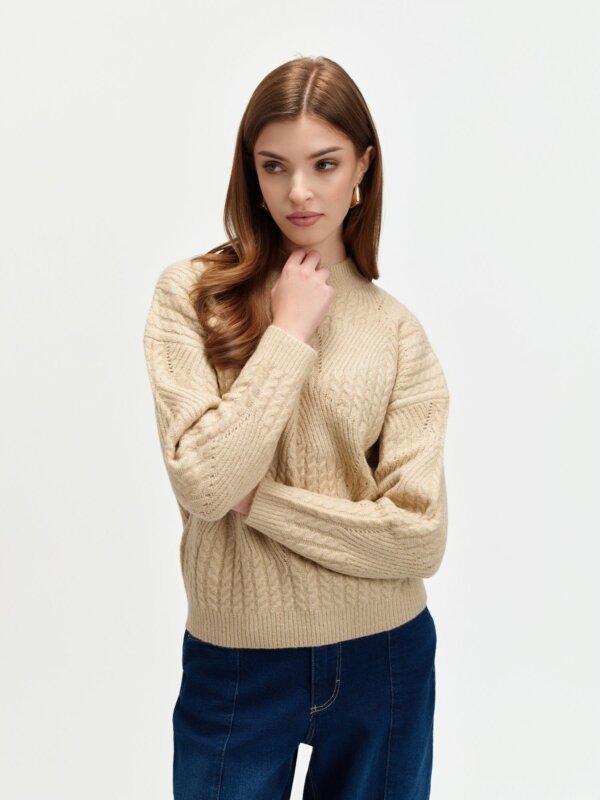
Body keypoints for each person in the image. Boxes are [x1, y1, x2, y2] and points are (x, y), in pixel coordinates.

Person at [143, 54, 450, 800]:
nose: (299, 192)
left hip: (385, 657)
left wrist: (261, 502)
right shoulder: (192, 297)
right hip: (237, 659)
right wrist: (287, 332)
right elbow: (207, 485)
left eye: (324, 163)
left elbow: (419, 538)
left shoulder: (396, 332)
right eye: (274, 166)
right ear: (250, 171)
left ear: (363, 167)